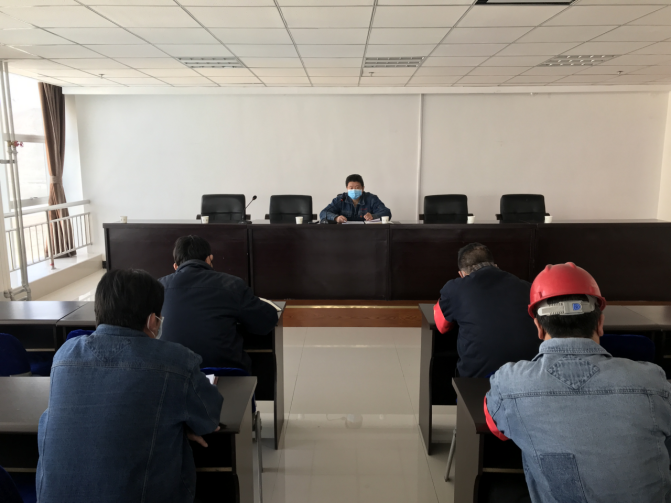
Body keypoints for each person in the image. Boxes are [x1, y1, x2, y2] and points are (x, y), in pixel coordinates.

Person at [485, 263, 671, 502]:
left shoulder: (510, 383)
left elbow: (497, 429)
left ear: (539, 327)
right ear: (600, 323)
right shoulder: (653, 381)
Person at [36, 269, 223, 503]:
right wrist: (178, 424)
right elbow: (209, 417)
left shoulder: (65, 355)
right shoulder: (176, 360)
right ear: (153, 321)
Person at [159, 235, 278, 372]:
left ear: (175, 266)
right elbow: (266, 321)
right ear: (209, 259)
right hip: (225, 374)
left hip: (171, 374)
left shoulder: (158, 287)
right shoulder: (231, 284)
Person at [435, 242, 539, 378]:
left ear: (462, 274)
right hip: (528, 373)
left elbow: (441, 326)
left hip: (480, 377)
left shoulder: (455, 288)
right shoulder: (528, 287)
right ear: (495, 265)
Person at [319, 173, 391, 223]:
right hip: (344, 233)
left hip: (367, 233)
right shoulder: (340, 199)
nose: (354, 190)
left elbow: (387, 213)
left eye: (357, 187)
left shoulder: (371, 199)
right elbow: (323, 213)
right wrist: (336, 218)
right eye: (351, 188)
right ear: (347, 188)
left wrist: (373, 216)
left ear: (362, 188)